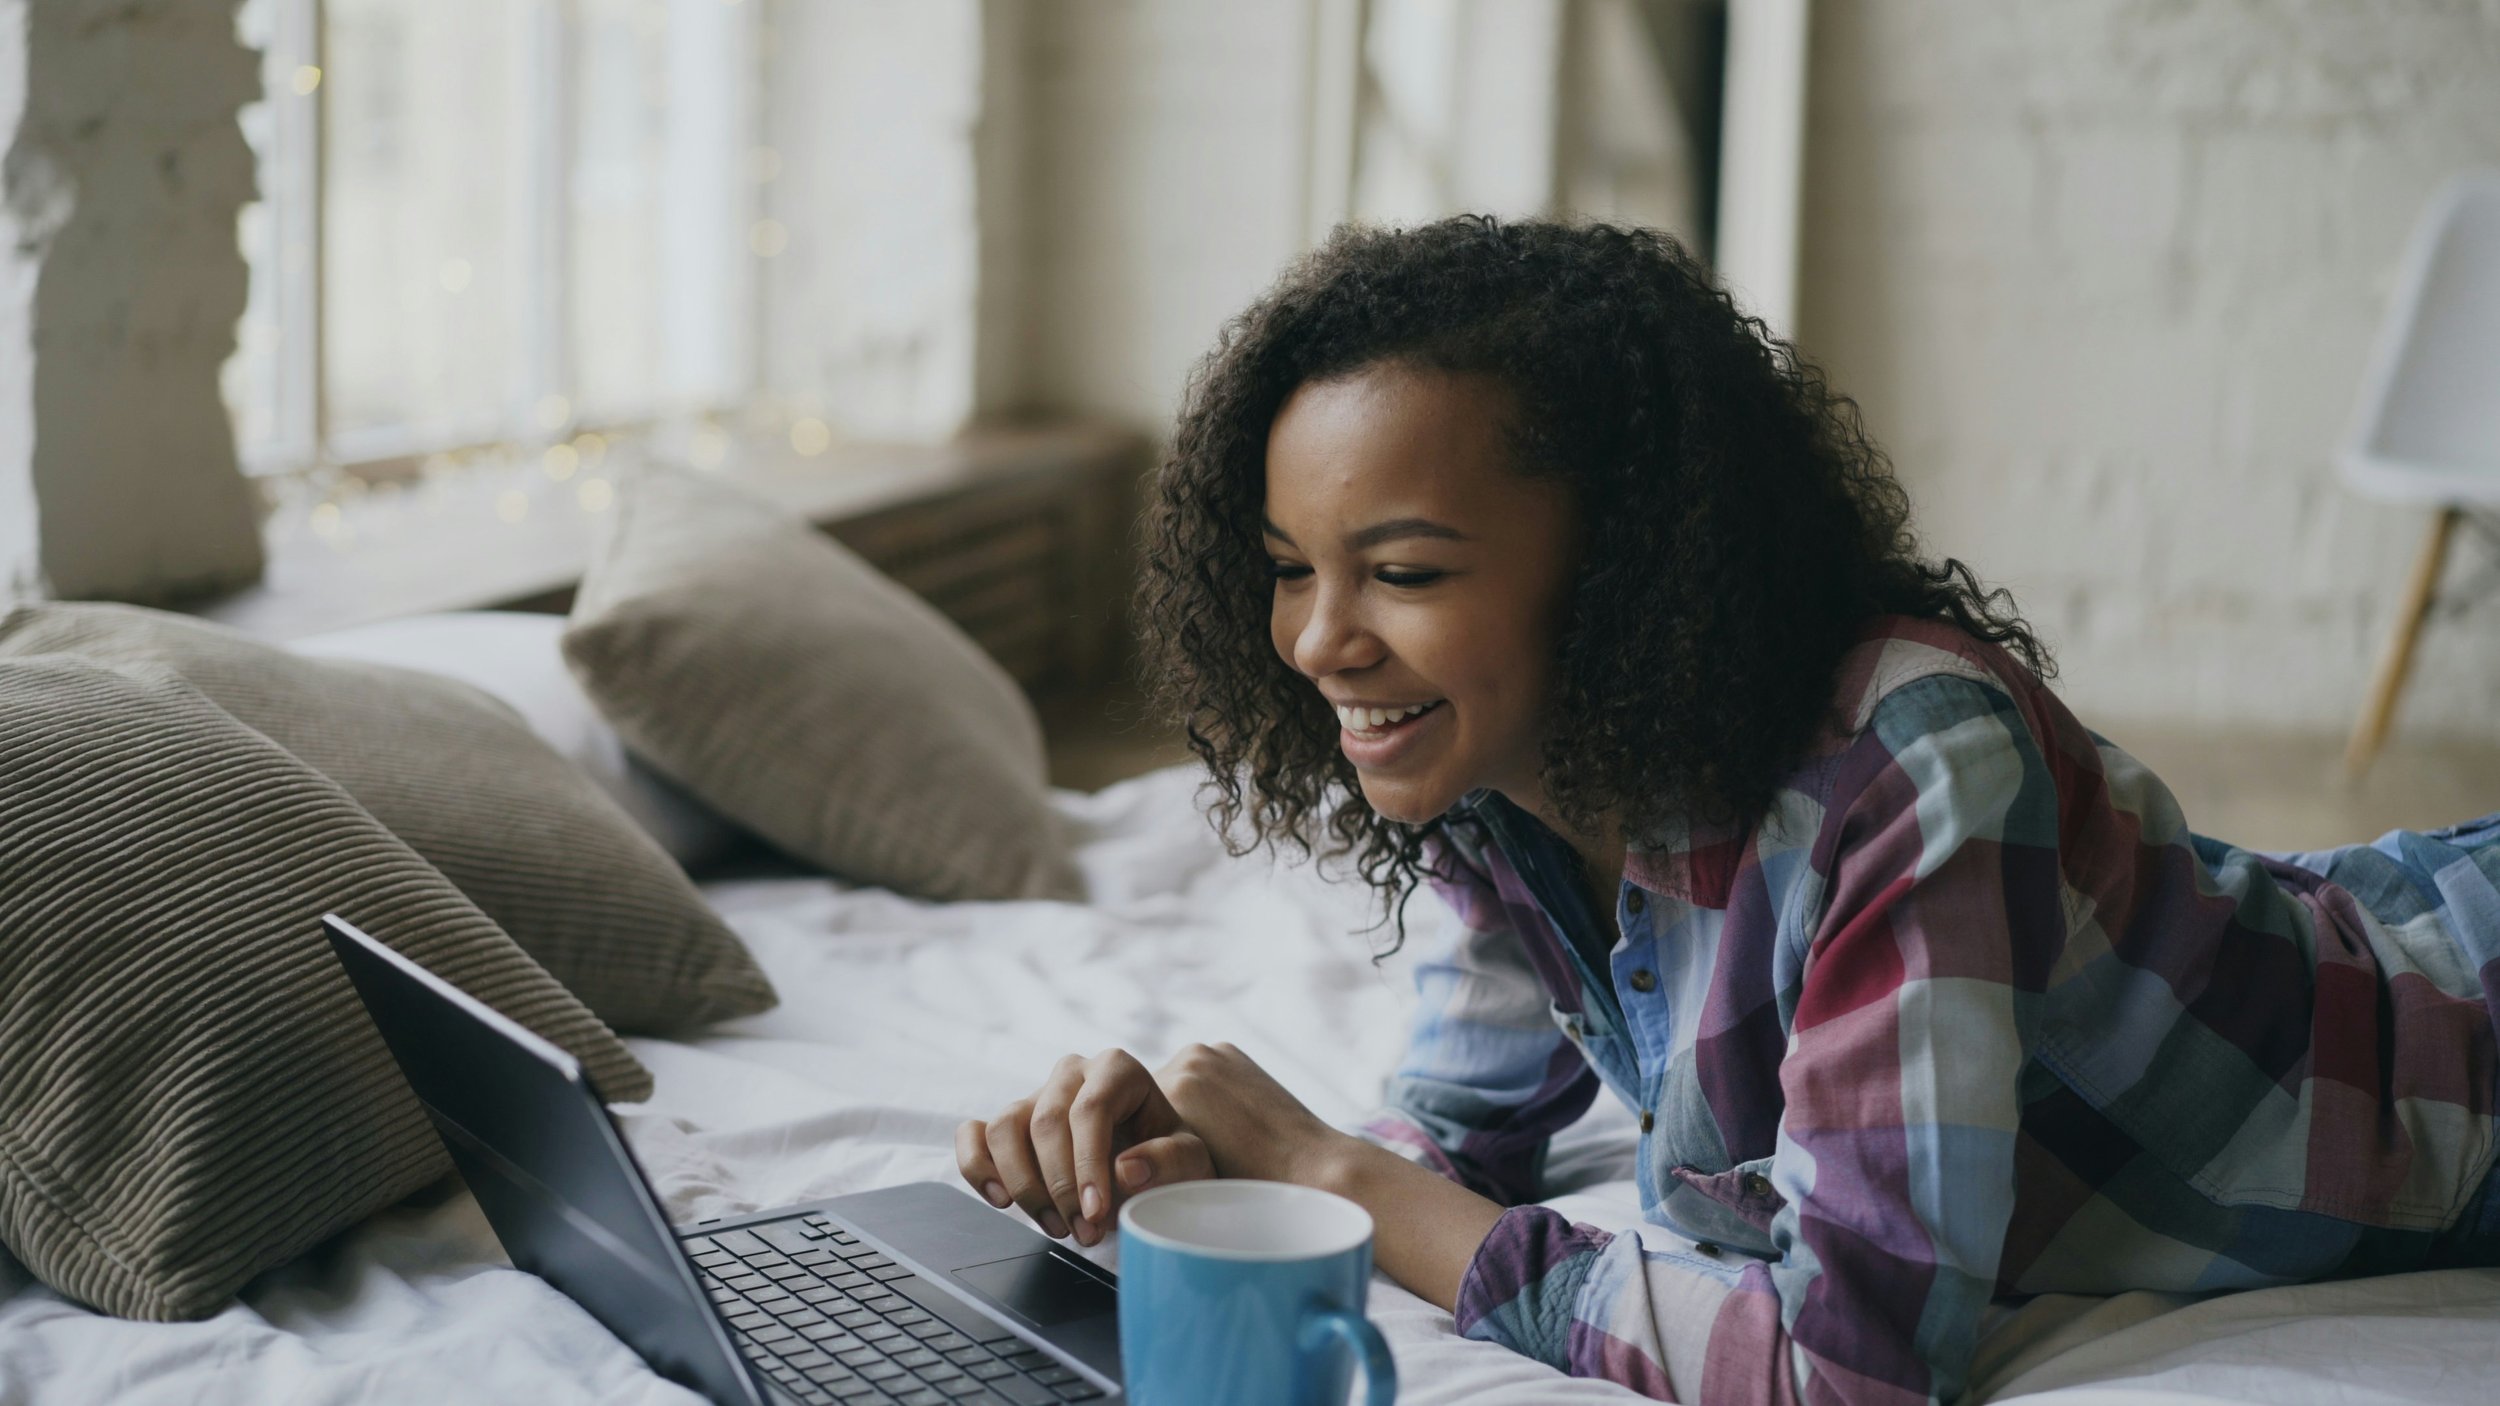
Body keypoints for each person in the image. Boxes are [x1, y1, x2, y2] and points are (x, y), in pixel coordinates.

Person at [953, 216, 2500, 1405]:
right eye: (1293, 564)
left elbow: (1847, 1370)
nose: (1313, 639)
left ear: (1619, 566)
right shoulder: (1504, 776)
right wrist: (1214, 1174)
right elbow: (1461, 1139)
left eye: (1404, 572)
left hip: (2452, 1053)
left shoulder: (1912, 755)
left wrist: (1337, 1178)